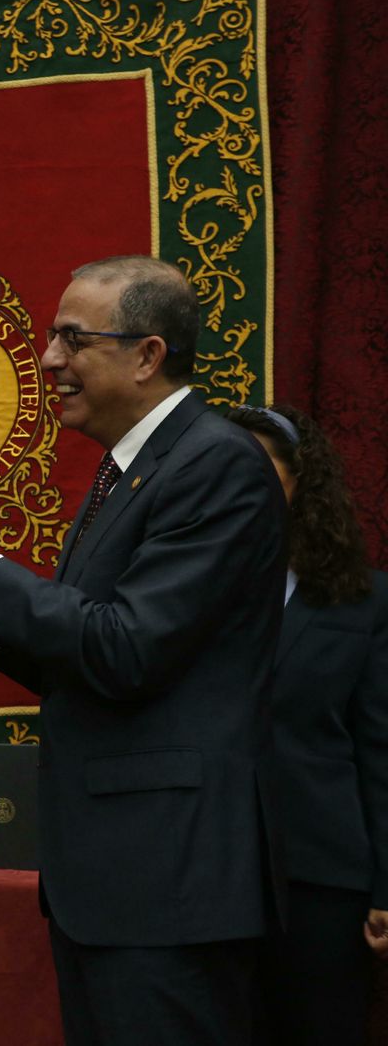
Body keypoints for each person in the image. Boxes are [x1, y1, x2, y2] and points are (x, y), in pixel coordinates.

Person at [0, 256, 286, 1045]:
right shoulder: (126, 474)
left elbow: (126, 650)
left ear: (147, 355)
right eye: (50, 337)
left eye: (72, 338)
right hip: (113, 884)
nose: (49, 360)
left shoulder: (217, 464)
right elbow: (81, 660)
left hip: (170, 885)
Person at [225, 404, 388, 1045]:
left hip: (320, 875)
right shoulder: (180, 585)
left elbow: (380, 751)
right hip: (209, 870)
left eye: (259, 469)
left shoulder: (364, 601)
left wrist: (386, 887)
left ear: (300, 481)